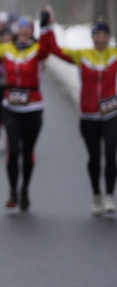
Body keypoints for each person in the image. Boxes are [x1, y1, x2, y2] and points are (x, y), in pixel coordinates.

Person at [0, 10, 55, 211]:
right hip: (11, 107)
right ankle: (12, 191)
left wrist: (46, 27)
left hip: (33, 107)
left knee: (27, 153)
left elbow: (48, 48)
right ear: (17, 31)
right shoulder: (6, 49)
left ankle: (25, 189)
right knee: (14, 149)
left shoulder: (37, 49)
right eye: (21, 28)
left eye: (28, 28)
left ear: (32, 32)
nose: (24, 31)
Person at [44, 17, 117, 214]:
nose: (101, 39)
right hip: (89, 115)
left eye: (104, 35)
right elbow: (56, 51)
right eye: (97, 35)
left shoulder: (114, 54)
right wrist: (48, 27)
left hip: (111, 113)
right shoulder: (82, 55)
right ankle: (96, 195)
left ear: (109, 37)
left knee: (111, 154)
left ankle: (109, 195)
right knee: (94, 157)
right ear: (92, 37)